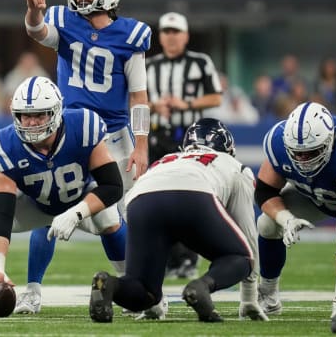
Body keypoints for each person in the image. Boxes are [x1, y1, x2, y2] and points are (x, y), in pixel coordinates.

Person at [18, 0, 151, 314]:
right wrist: (34, 14)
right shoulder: (64, 21)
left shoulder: (131, 35)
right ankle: (32, 291)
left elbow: (139, 97)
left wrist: (141, 145)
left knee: (114, 220)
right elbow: (38, 32)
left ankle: (133, 294)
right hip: (71, 134)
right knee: (50, 208)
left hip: (112, 137)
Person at [0, 76, 124, 316]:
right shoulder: (5, 144)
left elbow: (112, 186)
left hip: (81, 200)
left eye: (40, 115)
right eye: (25, 115)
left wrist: (76, 213)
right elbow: (2, 212)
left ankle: (130, 288)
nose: (32, 123)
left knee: (109, 220)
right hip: (36, 204)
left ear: (56, 112)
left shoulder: (83, 126)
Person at [88, 118, 268, 323]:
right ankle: (201, 287)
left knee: (144, 291)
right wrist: (249, 299)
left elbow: (147, 221)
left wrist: (153, 301)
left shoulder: (167, 159)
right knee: (241, 257)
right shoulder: (233, 165)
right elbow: (247, 235)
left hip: (141, 200)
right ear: (227, 147)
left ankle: (109, 285)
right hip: (193, 195)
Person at [252, 101, 336, 333]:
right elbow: (265, 190)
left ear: (329, 142)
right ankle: (269, 293)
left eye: (311, 153)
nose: (303, 161)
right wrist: (286, 218)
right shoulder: (278, 142)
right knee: (266, 223)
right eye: (297, 153)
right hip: (315, 197)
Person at [146, 11, 222, 280]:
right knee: (158, 199)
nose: (171, 36)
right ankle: (169, 257)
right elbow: (135, 103)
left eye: (176, 31)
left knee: (187, 198)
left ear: (186, 35)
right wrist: (154, 106)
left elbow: (215, 97)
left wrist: (185, 104)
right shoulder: (149, 66)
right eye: (166, 31)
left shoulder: (200, 63)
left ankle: (189, 256)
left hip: (188, 139)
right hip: (156, 138)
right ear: (160, 36)